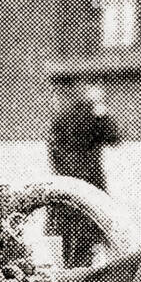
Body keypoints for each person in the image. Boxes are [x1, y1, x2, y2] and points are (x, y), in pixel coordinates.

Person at [47, 84, 122, 266]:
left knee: (66, 245)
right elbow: (115, 138)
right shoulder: (94, 119)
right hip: (90, 187)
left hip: (64, 189)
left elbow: (53, 153)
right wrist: (102, 112)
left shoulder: (61, 120)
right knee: (89, 242)